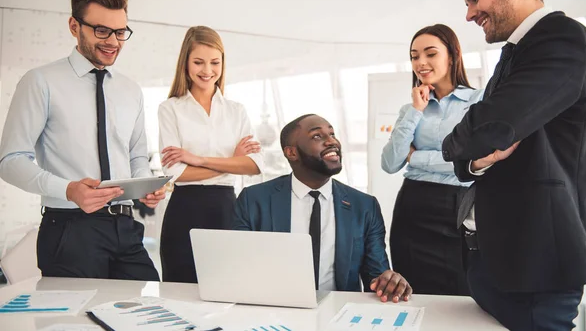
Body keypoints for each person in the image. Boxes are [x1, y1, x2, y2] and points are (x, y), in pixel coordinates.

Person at [441, 0, 586, 329]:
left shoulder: (563, 38)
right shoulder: (516, 52)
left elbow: (491, 125)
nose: (469, 14)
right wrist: (473, 158)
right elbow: (482, 142)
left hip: (536, 266)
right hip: (496, 263)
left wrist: (451, 144)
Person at [0, 0, 164, 280]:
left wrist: (146, 186)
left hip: (126, 228)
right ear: (74, 26)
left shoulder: (131, 90)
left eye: (120, 32)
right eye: (101, 30)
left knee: (150, 312)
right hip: (69, 229)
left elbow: (137, 156)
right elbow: (10, 161)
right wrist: (68, 189)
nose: (113, 41)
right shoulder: (40, 81)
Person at [233, 114, 412, 302]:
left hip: (339, 315)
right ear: (291, 153)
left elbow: (376, 276)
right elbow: (239, 269)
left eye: (332, 134)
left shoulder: (365, 206)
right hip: (273, 311)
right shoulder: (253, 200)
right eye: (317, 136)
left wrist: (390, 282)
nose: (332, 142)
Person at [381, 24, 483, 296]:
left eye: (430, 53)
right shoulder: (411, 108)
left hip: (458, 206)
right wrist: (416, 111)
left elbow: (475, 161)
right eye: (414, 56)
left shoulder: (478, 102)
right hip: (413, 207)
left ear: (452, 56)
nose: (421, 63)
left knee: (462, 291)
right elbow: (390, 163)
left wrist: (417, 158)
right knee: (412, 291)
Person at [158, 26, 264, 283]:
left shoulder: (236, 111)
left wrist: (198, 159)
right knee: (179, 291)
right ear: (186, 63)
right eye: (198, 62)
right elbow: (177, 174)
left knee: (228, 288)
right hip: (184, 211)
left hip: (227, 210)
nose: (207, 71)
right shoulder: (170, 109)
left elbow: (254, 165)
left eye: (215, 62)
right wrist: (232, 162)